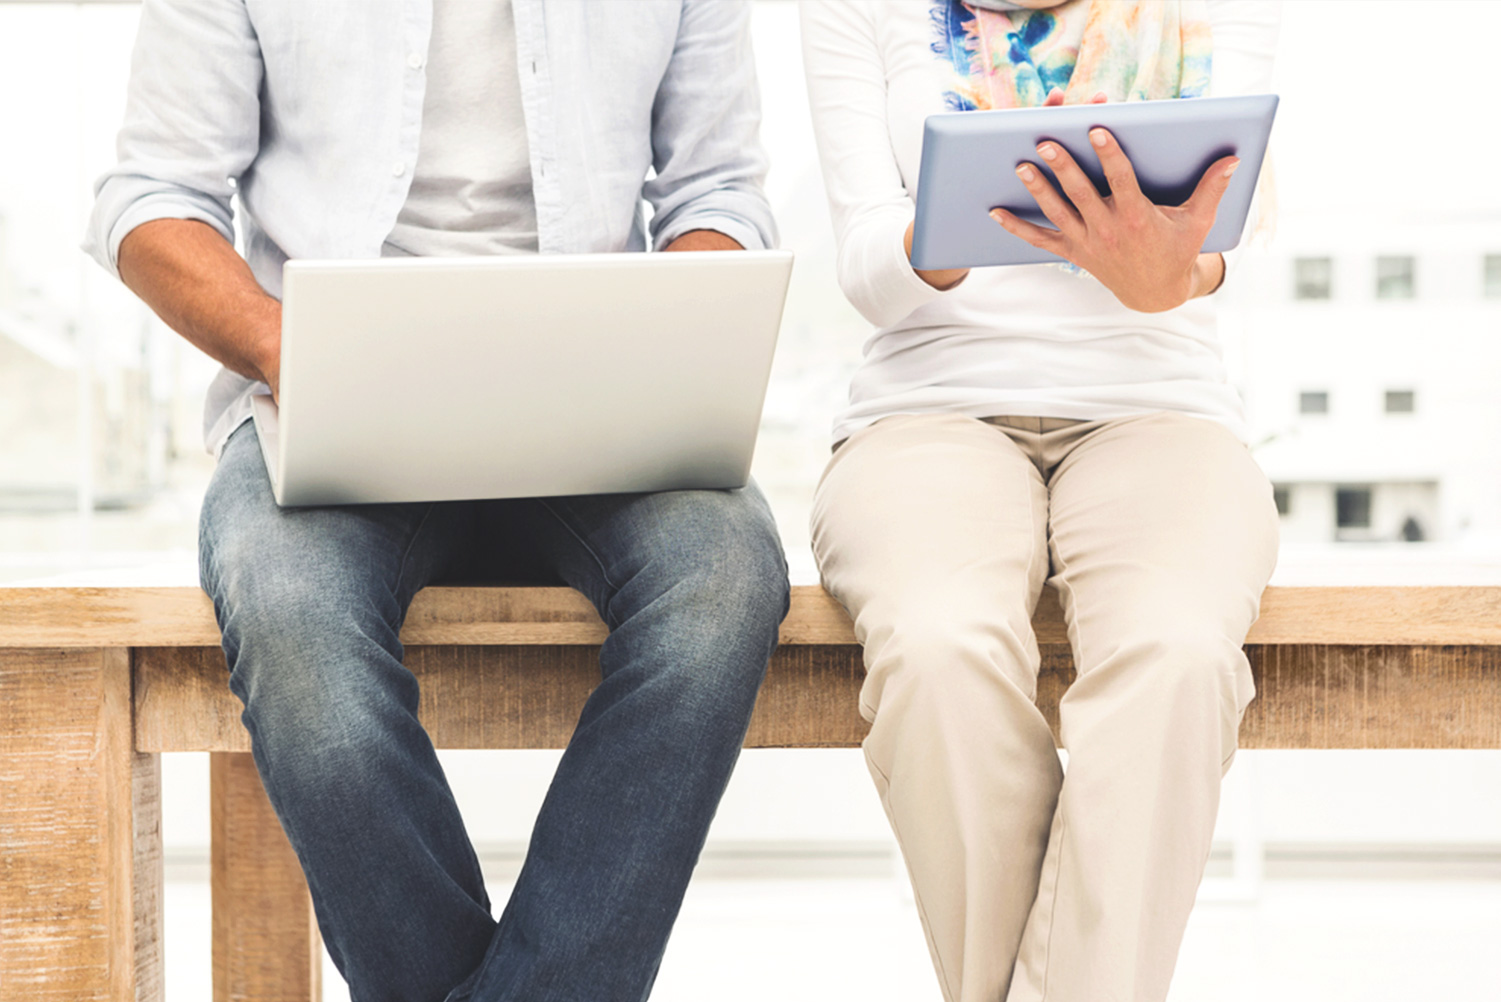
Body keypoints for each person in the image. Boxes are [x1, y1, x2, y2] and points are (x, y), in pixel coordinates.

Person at [84, 3, 789, 1001]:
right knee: (288, 607)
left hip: (595, 401)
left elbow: (718, 192)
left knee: (721, 577)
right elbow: (151, 199)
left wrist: (655, 338)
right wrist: (289, 348)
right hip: (327, 393)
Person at [800, 2, 1280, 1001]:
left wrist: (1177, 275)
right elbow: (860, 260)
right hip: (926, 408)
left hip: (1159, 406)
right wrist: (942, 235)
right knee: (937, 650)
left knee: (1178, 657)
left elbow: (1253, 230)